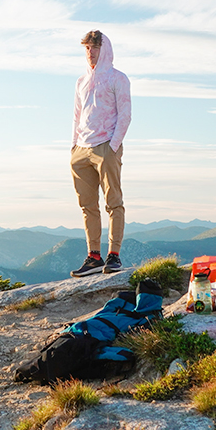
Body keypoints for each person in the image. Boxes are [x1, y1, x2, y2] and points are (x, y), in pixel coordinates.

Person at [69, 30, 132, 277]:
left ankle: (113, 255)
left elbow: (125, 114)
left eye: (95, 47)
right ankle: (94, 256)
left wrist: (113, 146)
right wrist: (74, 146)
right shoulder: (81, 81)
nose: (90, 52)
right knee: (87, 205)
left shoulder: (118, 78)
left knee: (113, 202)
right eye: (87, 48)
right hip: (81, 150)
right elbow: (76, 115)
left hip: (106, 145)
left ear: (104, 49)